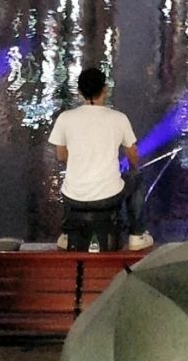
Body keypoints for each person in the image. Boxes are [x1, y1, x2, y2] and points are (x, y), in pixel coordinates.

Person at [48, 68, 154, 252]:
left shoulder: (65, 119)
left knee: (70, 181)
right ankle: (137, 235)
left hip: (73, 198)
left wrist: (81, 163)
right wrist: (132, 168)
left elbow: (61, 156)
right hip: (109, 197)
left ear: (79, 91)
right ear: (105, 89)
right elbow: (133, 155)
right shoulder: (119, 118)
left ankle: (66, 234)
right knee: (136, 178)